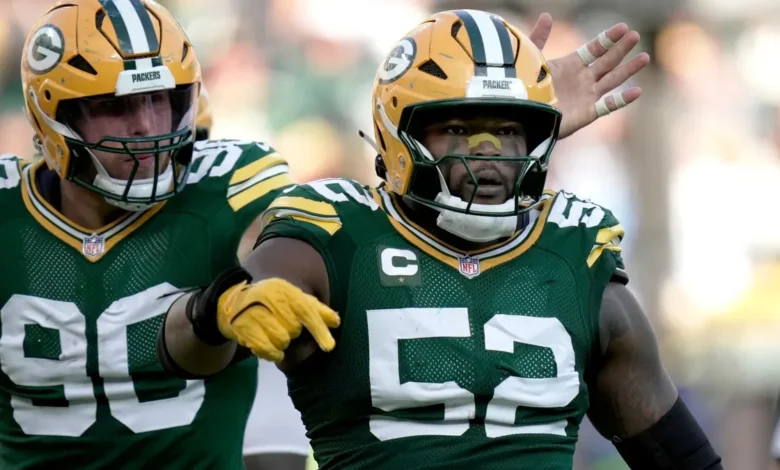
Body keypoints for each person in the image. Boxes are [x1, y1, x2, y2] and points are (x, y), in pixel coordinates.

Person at [159, 9, 722, 470]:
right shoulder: (337, 234)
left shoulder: (573, 250)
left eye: (507, 131)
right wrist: (221, 306)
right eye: (457, 129)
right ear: (398, 133)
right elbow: (186, 342)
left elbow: (678, 453)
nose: (486, 153)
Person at [0, 0, 295, 467]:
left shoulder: (232, 188)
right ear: (51, 116)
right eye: (112, 106)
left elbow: (289, 260)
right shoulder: (8, 212)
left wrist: (254, 282)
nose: (145, 126)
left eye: (159, 100)